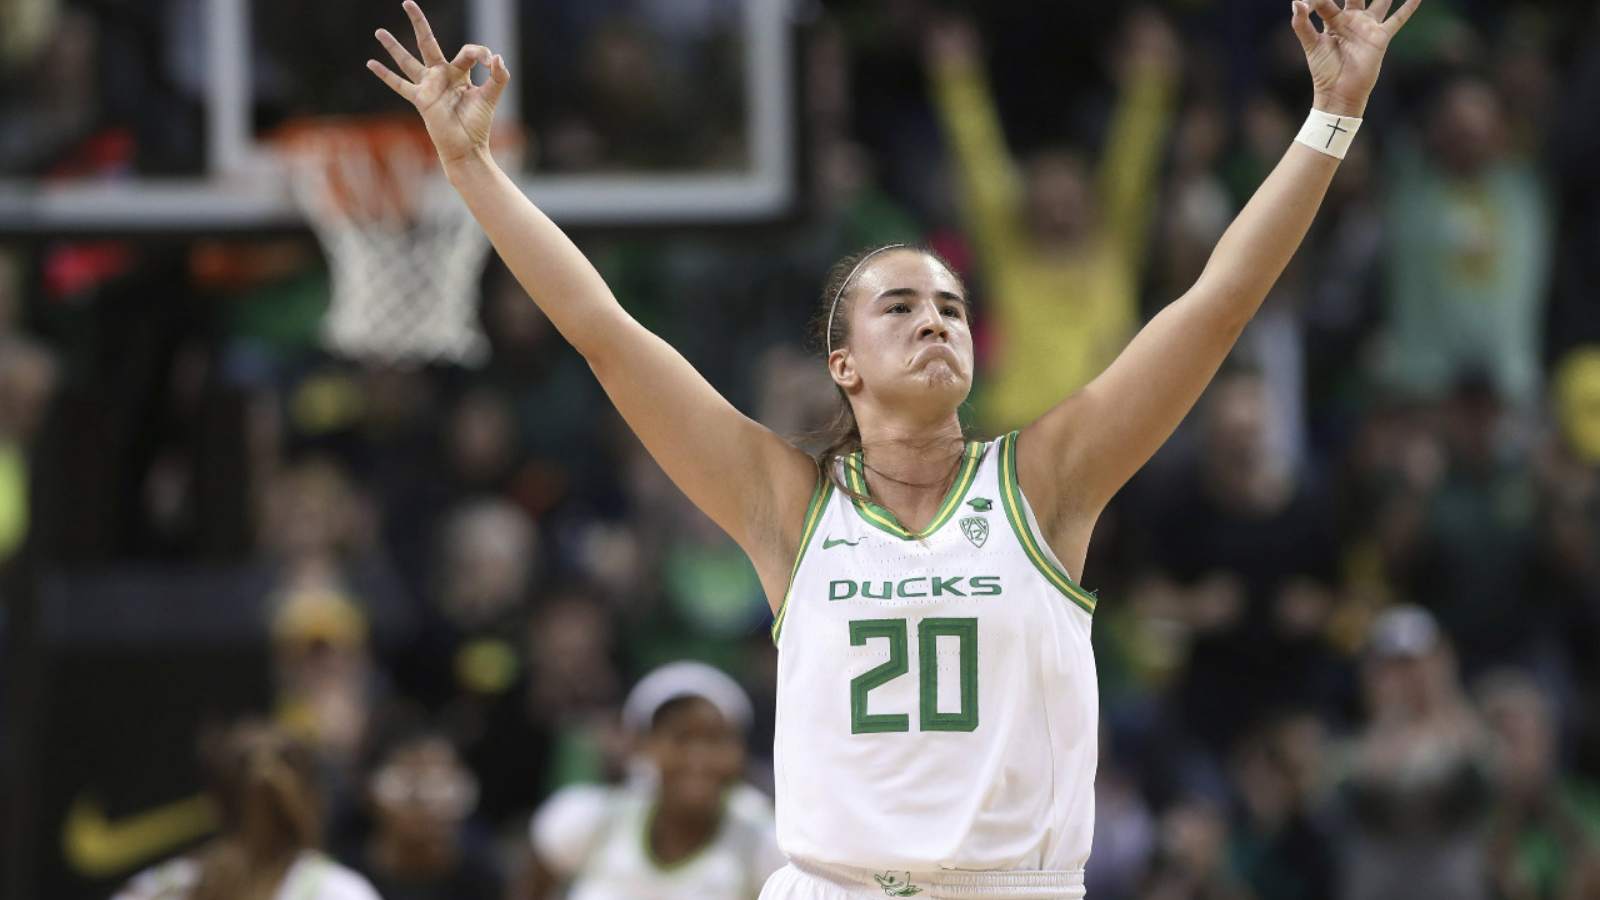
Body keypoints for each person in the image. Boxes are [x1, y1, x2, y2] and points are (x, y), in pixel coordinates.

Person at [365, 0, 1422, 895]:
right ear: (843, 366)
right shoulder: (787, 505)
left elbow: (1217, 305)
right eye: (901, 306)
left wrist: (1331, 116)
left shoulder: (1046, 480)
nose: (936, 321)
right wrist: (471, 170)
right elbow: (604, 333)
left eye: (953, 307)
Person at [517, 661, 784, 899]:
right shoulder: (588, 820)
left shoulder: (768, 846)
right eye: (681, 738)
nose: (698, 758)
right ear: (643, 746)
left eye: (715, 739)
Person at [113, 720, 380, 900]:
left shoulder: (339, 891)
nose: (263, 776)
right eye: (246, 767)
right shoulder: (168, 886)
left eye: (283, 763)